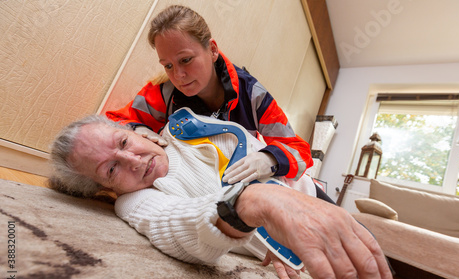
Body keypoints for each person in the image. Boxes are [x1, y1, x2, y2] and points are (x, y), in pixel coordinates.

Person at [50, 114, 397, 279]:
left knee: (379, 262)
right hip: (290, 231)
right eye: (111, 168)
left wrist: (273, 170)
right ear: (103, 189)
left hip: (312, 194)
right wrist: (254, 202)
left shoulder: (188, 131)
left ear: (134, 130)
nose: (134, 160)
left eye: (123, 142)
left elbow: (266, 150)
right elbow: (179, 228)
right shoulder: (134, 201)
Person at [105, 4, 313, 186]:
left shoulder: (253, 96)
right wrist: (138, 129)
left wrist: (270, 159)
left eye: (185, 60)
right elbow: (113, 120)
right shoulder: (164, 91)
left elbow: (298, 150)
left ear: (212, 50)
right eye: (168, 65)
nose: (178, 75)